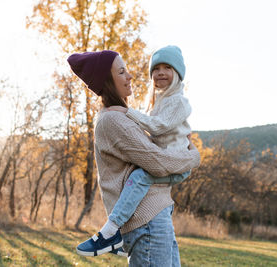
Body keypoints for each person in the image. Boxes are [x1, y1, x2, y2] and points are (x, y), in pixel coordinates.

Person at [67, 49, 200, 266]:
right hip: (147, 222)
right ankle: (109, 233)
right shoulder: (114, 120)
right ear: (107, 80)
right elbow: (157, 162)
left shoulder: (123, 116)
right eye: (122, 72)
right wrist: (194, 157)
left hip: (155, 216)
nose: (130, 76)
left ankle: (110, 233)